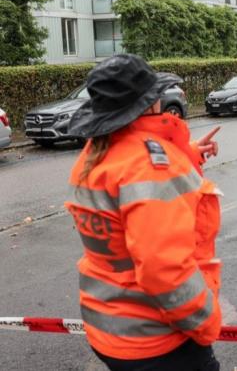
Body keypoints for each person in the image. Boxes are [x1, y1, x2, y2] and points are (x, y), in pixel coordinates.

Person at [65, 54, 224, 370]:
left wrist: (188, 155)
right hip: (158, 343)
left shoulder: (94, 154)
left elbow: (125, 186)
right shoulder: (149, 165)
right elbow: (164, 269)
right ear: (149, 103)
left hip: (110, 330)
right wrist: (207, 323)